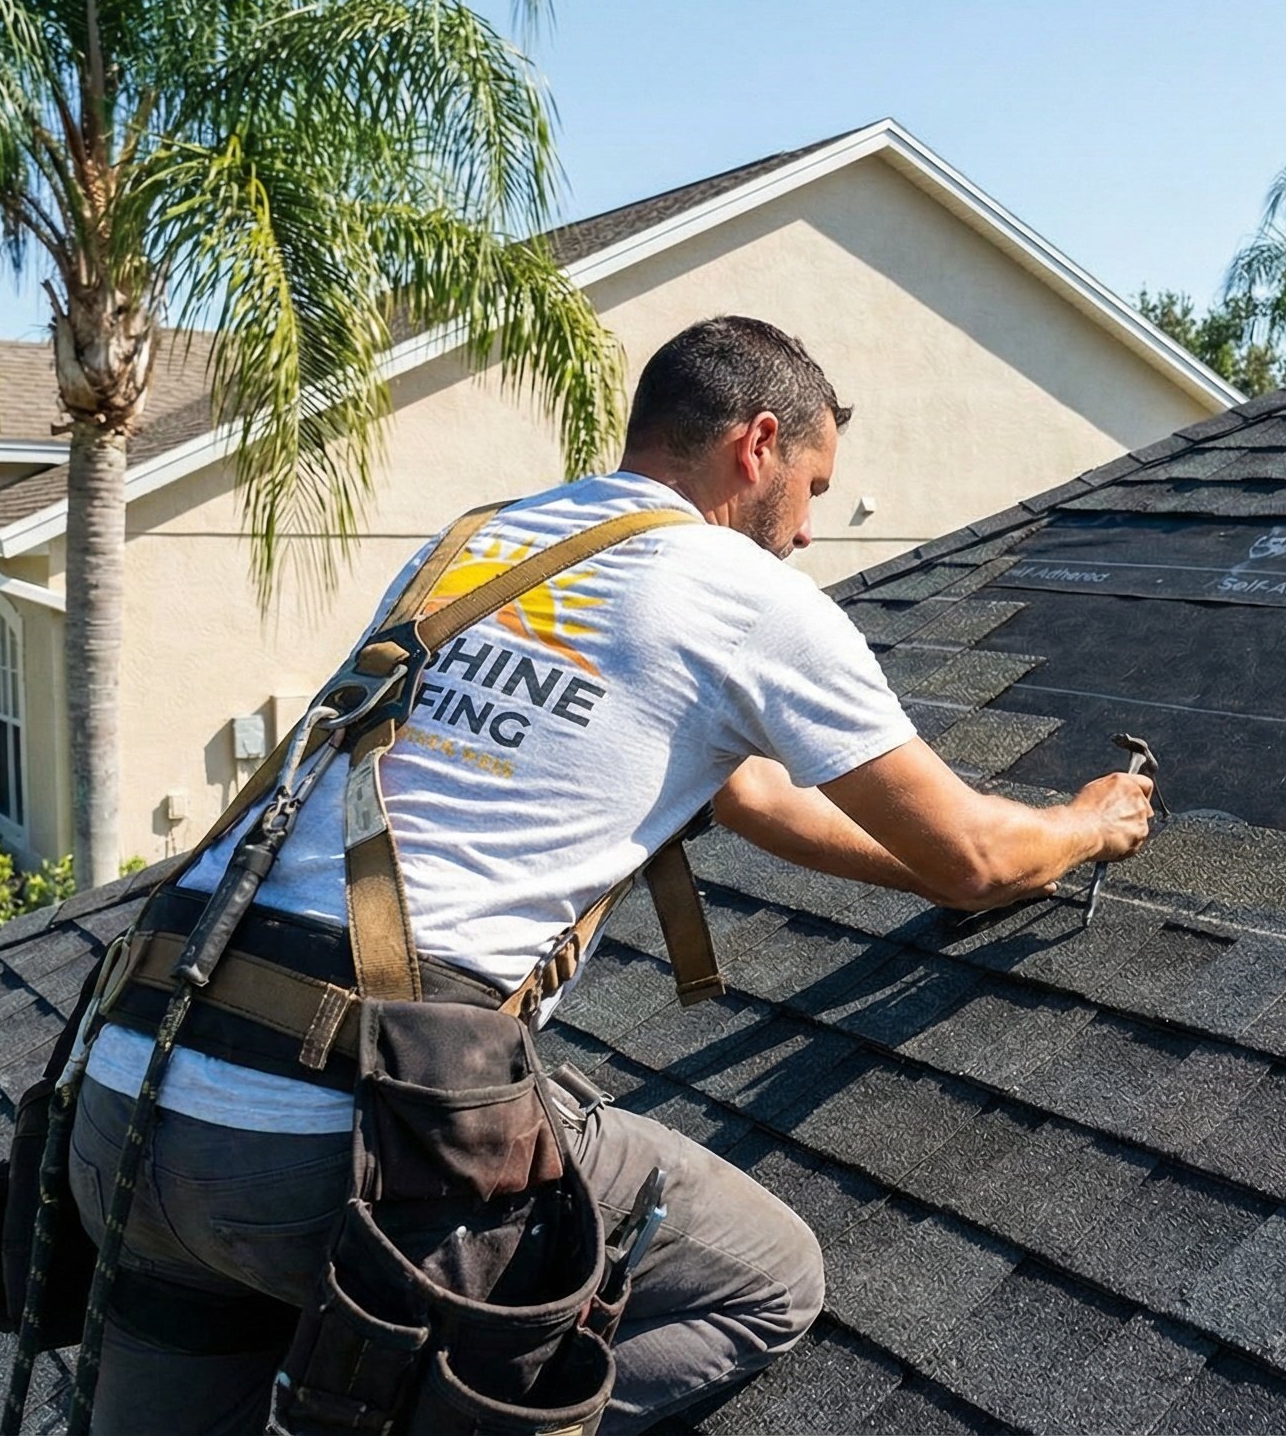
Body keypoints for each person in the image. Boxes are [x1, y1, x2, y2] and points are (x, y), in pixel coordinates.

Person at [68, 315, 1158, 1434]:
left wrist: (939, 881)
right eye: (815, 488)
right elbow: (976, 850)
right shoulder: (741, 594)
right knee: (766, 1280)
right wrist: (1084, 824)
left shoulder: (479, 541)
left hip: (129, 1093)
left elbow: (757, 799)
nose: (807, 534)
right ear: (759, 445)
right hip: (337, 1142)